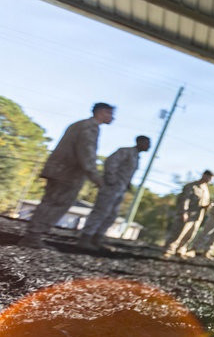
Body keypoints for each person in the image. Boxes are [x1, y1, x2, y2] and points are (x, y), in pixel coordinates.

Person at [18, 102, 115, 249]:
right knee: (55, 204)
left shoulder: (81, 125)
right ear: (101, 112)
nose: (112, 117)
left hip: (60, 171)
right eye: (109, 113)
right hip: (67, 174)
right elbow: (86, 153)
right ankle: (33, 237)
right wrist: (95, 176)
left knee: (50, 202)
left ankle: (33, 236)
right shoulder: (89, 127)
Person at [78, 135, 151, 251]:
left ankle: (97, 238)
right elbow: (111, 162)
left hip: (120, 189)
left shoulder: (136, 157)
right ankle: (85, 238)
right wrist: (111, 179)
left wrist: (127, 184)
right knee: (101, 211)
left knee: (112, 215)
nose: (149, 146)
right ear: (139, 142)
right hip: (111, 187)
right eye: (147, 143)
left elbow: (126, 172)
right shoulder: (125, 151)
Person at [162, 170, 214, 258]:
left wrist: (208, 206)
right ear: (204, 175)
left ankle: (180, 250)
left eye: (211, 179)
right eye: (209, 177)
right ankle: (168, 250)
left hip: (198, 216)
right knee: (178, 233)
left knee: (189, 235)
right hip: (188, 214)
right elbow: (184, 200)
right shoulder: (191, 186)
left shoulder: (206, 189)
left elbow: (204, 202)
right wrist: (184, 212)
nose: (210, 180)